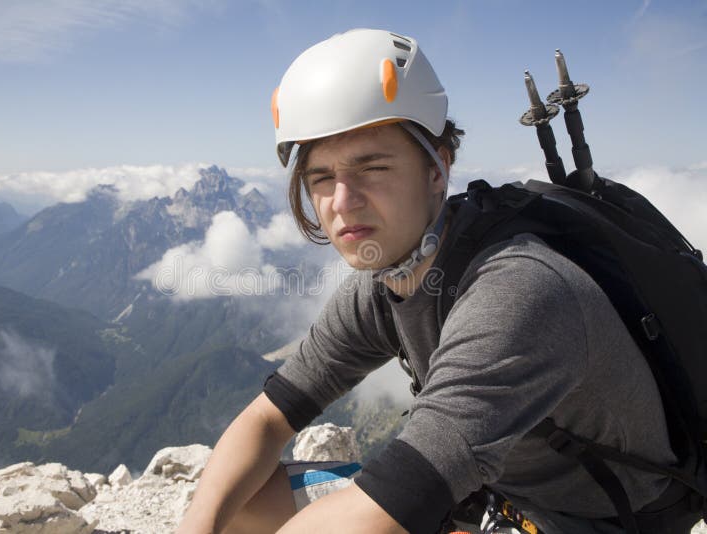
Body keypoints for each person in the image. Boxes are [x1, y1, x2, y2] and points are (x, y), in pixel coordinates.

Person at [177, 28, 680, 534]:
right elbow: (266, 419)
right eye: (321, 177)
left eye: (371, 168)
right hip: (489, 503)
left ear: (437, 167)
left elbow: (379, 514)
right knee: (237, 504)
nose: (341, 201)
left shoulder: (519, 290)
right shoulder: (384, 283)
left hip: (589, 523)